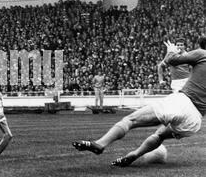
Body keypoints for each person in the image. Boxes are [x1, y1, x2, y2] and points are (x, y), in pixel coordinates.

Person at [73, 37, 206, 167]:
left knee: (130, 120)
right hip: (194, 121)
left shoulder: (202, 53)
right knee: (159, 135)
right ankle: (134, 155)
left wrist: (171, 50)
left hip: (183, 102)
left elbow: (171, 60)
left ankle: (100, 144)